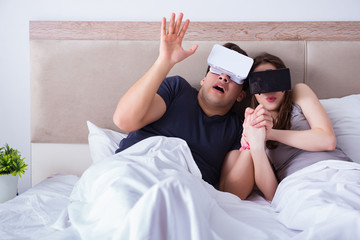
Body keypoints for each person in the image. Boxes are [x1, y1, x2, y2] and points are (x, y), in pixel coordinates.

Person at [112, 13, 272, 188]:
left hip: (182, 188)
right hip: (131, 169)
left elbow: (233, 192)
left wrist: (252, 140)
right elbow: (124, 120)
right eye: (217, 70)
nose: (224, 77)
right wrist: (164, 62)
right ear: (203, 80)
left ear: (241, 95)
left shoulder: (236, 129)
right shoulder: (177, 88)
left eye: (234, 77)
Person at [222, 52, 352, 201]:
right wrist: (254, 143)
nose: (269, 90)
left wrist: (270, 134)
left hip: (340, 171)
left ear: (285, 83)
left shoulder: (299, 92)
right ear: (253, 92)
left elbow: (327, 141)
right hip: (302, 186)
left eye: (275, 80)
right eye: (260, 83)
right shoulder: (253, 128)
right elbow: (272, 194)